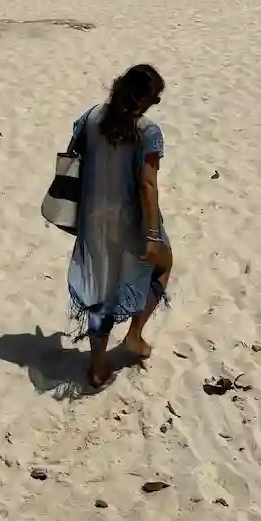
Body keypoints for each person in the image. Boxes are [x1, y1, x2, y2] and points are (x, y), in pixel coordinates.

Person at [66, 64, 172, 388]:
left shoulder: (92, 117)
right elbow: (147, 186)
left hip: (93, 220)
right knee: (163, 265)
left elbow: (73, 154)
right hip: (131, 222)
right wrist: (152, 235)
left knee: (101, 288)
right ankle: (134, 336)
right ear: (147, 100)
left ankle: (98, 366)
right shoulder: (147, 132)